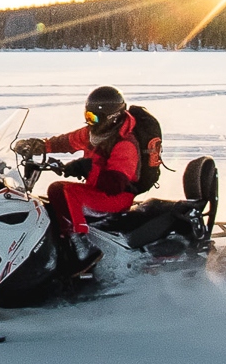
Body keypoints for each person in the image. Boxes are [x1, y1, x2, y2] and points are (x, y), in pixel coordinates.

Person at [12, 86, 139, 265]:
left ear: (111, 117)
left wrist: (88, 168)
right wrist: (40, 146)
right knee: (45, 207)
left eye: (93, 117)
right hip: (95, 191)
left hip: (116, 198)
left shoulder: (125, 144)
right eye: (87, 116)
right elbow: (67, 141)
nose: (90, 122)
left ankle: (81, 246)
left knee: (61, 191)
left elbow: (115, 184)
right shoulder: (94, 133)